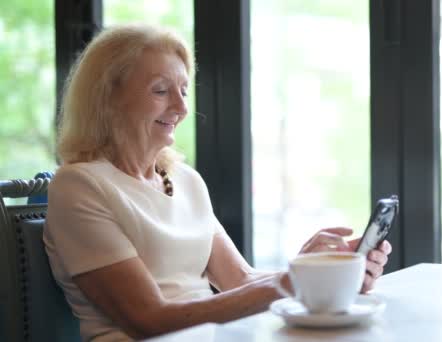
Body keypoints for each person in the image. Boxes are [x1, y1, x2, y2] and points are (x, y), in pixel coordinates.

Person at [43, 24, 392, 341]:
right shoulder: (79, 186)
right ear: (109, 98)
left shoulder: (186, 180)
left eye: (183, 90)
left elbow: (241, 281)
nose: (181, 107)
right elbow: (149, 321)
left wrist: (320, 272)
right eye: (161, 90)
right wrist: (294, 282)